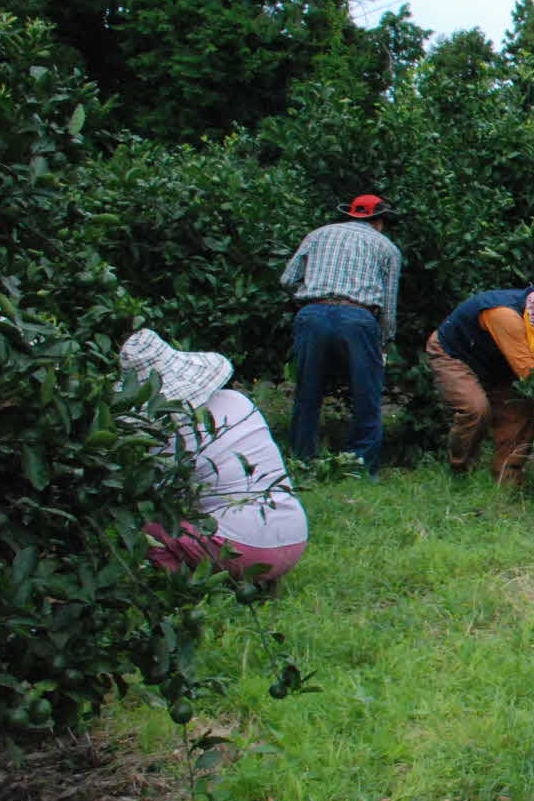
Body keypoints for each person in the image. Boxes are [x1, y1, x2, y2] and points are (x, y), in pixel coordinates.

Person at [120, 329, 308, 588]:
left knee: (149, 527)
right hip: (295, 534)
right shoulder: (238, 401)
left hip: (246, 551)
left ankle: (185, 586)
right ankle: (257, 580)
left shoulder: (169, 435)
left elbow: (157, 496)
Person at [280, 193, 403, 474]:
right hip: (358, 317)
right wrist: (385, 339)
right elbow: (389, 303)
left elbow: (287, 279)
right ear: (379, 221)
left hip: (312, 313)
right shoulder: (387, 248)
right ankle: (359, 466)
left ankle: (302, 461)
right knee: (367, 395)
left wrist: (309, 294)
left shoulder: (317, 235)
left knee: (307, 391)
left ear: (351, 214)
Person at [425, 282, 534, 486]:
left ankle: (508, 482)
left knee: (520, 411)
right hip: (456, 355)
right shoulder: (504, 314)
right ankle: (460, 472)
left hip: (499, 362)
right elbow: (529, 371)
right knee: (475, 409)